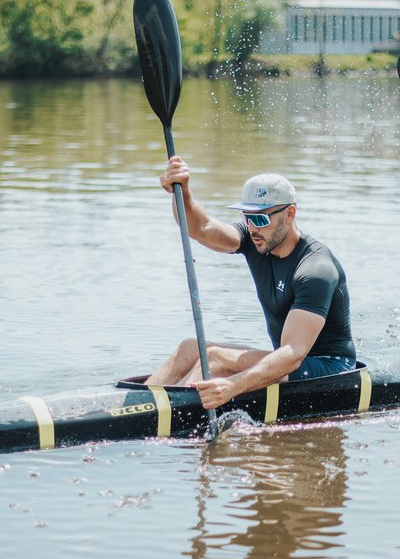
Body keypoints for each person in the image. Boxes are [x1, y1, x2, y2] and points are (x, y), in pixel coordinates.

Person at [146, 156, 356, 410]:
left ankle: (169, 414)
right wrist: (184, 192)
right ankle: (142, 403)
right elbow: (202, 228)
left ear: (290, 214)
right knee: (190, 348)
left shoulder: (315, 269)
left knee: (214, 359)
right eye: (247, 217)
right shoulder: (256, 240)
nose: (252, 228)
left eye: (261, 219)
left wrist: (233, 386)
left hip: (328, 369)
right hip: (289, 361)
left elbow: (292, 353)